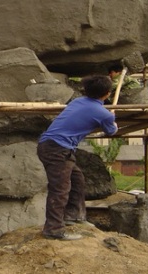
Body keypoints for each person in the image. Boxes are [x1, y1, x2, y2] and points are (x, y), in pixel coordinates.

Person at [37, 75, 118, 241]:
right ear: (107, 93)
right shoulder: (104, 114)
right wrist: (112, 119)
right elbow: (111, 131)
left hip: (52, 146)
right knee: (60, 190)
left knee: (77, 179)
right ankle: (53, 229)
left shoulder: (77, 102)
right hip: (57, 149)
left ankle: (73, 215)